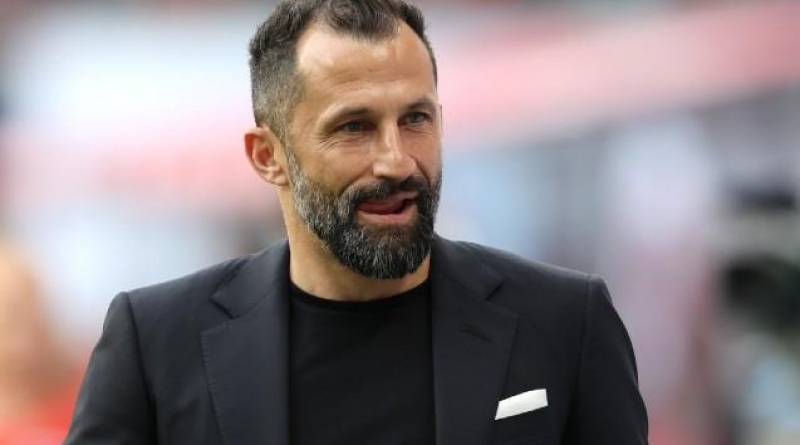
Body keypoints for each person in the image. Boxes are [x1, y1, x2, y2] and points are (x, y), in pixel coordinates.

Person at [63, 1, 648, 444]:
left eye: (415, 119)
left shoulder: (566, 322)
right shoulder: (156, 343)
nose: (397, 161)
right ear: (268, 156)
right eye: (354, 127)